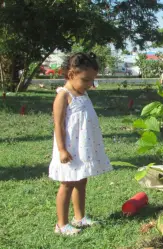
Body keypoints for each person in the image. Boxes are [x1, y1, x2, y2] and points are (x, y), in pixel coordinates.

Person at [49, 52, 112, 235]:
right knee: (67, 184)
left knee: (81, 181)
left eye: (92, 80)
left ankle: (80, 217)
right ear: (71, 75)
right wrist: (61, 149)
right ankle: (61, 224)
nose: (90, 85)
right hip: (69, 149)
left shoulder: (82, 94)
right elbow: (58, 125)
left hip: (82, 149)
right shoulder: (63, 96)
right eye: (86, 80)